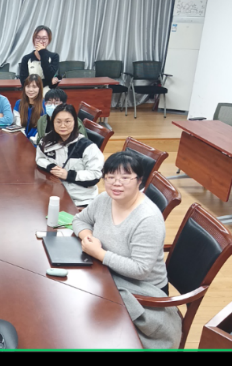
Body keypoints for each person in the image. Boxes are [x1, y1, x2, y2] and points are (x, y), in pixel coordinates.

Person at [72, 151, 179, 349]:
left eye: (125, 178)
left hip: (142, 290)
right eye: (110, 177)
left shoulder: (147, 219)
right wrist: (87, 237)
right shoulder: (104, 199)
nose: (116, 183)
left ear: (139, 180)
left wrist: (99, 253)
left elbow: (140, 270)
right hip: (108, 272)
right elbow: (80, 220)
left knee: (85, 318)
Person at [35, 104, 104, 207]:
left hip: (80, 199)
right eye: (58, 121)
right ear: (53, 122)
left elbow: (95, 175)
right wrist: (50, 167)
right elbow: (40, 158)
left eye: (67, 121)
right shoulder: (46, 142)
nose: (62, 126)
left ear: (75, 122)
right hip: (55, 193)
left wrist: (68, 175)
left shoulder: (88, 147)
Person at [18, 25, 61, 89]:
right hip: (31, 93)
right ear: (33, 39)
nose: (40, 41)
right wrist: (49, 82)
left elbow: (49, 76)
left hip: (48, 94)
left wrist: (42, 53)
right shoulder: (26, 59)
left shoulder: (54, 57)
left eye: (44, 38)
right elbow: (24, 83)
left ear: (49, 40)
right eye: (38, 38)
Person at [14, 74, 46, 140]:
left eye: (34, 87)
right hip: (21, 139)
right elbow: (17, 125)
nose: (30, 90)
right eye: (28, 86)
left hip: (37, 141)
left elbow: (43, 129)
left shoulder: (44, 105)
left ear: (40, 88)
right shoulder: (18, 104)